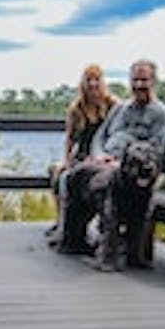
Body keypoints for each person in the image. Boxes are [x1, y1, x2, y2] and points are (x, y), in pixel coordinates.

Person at [56, 59, 165, 258]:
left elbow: (157, 151)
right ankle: (72, 238)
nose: (138, 85)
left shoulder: (162, 114)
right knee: (71, 176)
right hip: (103, 163)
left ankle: (112, 243)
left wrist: (121, 164)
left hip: (130, 171)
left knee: (104, 187)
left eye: (144, 80)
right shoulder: (120, 108)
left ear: (154, 81)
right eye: (135, 80)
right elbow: (100, 136)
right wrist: (99, 156)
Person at [45, 64, 118, 237]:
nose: (93, 84)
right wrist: (67, 160)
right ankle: (62, 219)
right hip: (82, 155)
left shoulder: (112, 104)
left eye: (96, 79)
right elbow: (70, 138)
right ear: (83, 83)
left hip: (102, 156)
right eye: (88, 80)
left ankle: (101, 223)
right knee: (57, 172)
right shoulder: (76, 108)